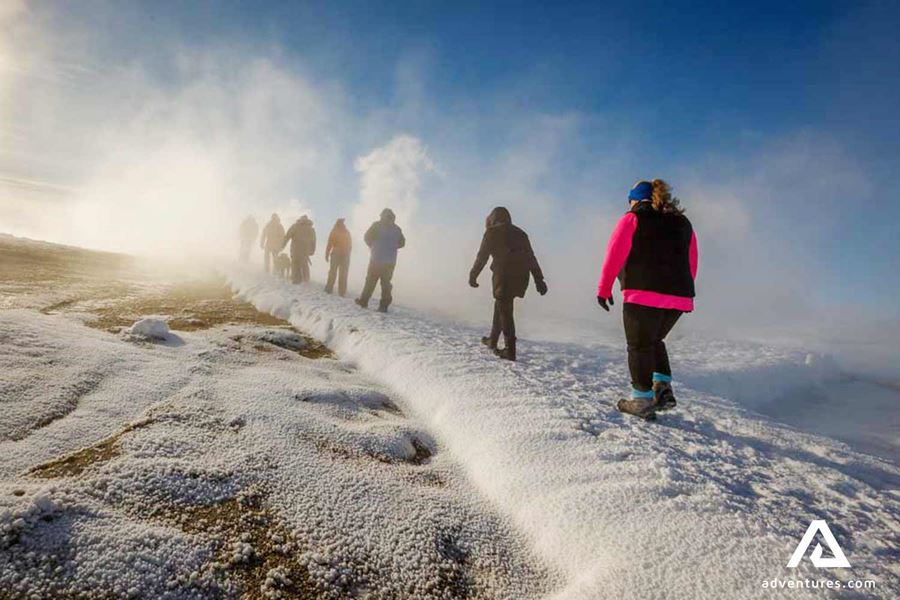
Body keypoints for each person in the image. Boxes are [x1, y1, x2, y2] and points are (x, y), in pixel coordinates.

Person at [596, 180, 698, 419]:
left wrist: (604, 288)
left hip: (642, 292)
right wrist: (679, 289)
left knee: (639, 345)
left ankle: (641, 400)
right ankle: (662, 389)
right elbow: (691, 260)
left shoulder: (632, 218)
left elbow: (615, 252)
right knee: (654, 340)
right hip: (679, 296)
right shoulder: (683, 223)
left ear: (636, 199)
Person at [469, 207, 548, 361]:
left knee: (505, 309)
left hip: (504, 276)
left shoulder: (491, 232)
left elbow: (482, 257)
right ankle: (492, 340)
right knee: (501, 304)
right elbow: (531, 258)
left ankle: (509, 350)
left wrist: (473, 275)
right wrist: (539, 280)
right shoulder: (521, 234)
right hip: (521, 276)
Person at [355, 208, 405, 312]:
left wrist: (372, 246)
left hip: (376, 259)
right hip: (390, 262)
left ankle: (364, 301)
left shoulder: (377, 225)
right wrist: (392, 248)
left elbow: (366, 237)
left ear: (382, 215)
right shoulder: (397, 229)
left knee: (370, 281)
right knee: (386, 283)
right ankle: (384, 306)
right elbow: (402, 243)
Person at [281, 215, 316, 283]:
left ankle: (296, 279)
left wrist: (283, 245)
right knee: (304, 264)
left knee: (295, 264)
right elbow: (313, 241)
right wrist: (312, 251)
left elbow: (287, 236)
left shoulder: (295, 226)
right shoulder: (311, 229)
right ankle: (306, 279)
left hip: (295, 250)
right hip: (305, 251)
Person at [325, 218, 352, 296]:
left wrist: (327, 254)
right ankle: (342, 292)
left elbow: (329, 243)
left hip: (336, 252)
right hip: (346, 253)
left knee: (333, 271)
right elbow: (350, 245)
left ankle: (329, 289)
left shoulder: (334, 231)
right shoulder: (347, 232)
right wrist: (348, 253)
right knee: (343, 273)